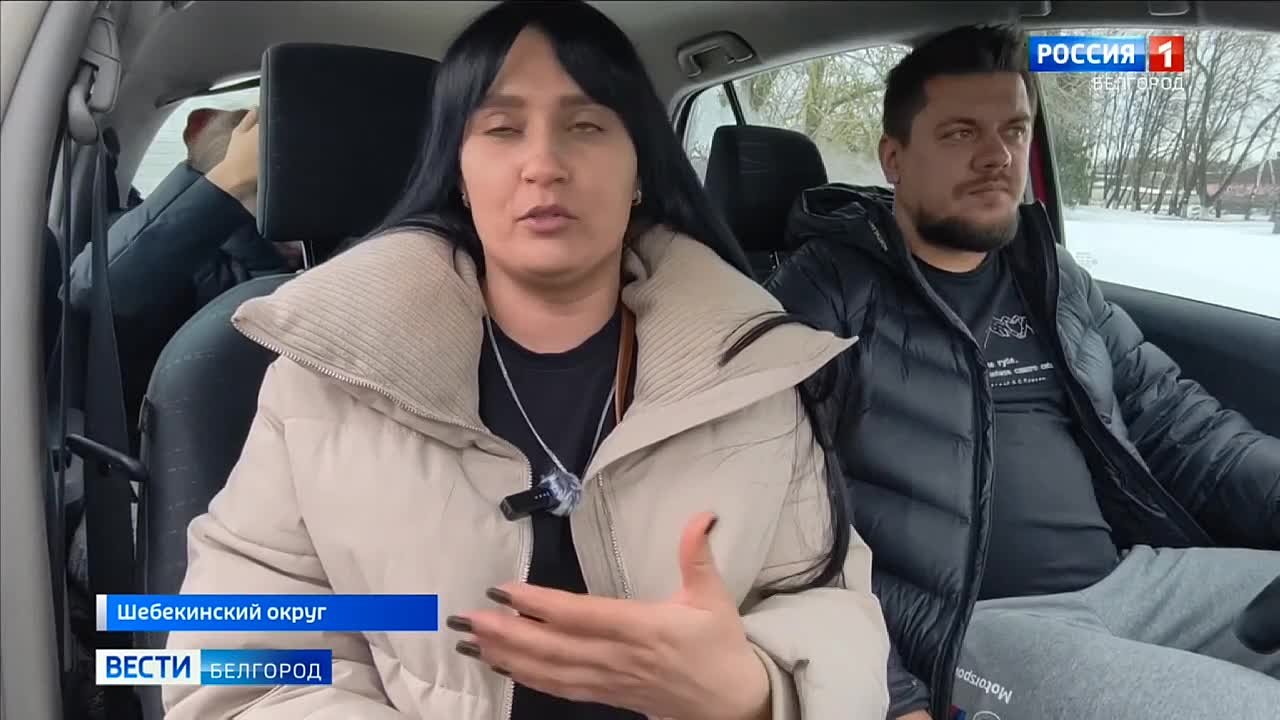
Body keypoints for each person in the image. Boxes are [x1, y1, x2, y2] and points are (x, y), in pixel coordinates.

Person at [163, 2, 891, 719]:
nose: (544, 165)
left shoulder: (755, 369)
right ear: (458, 171)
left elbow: (830, 610)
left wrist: (754, 693)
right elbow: (236, 673)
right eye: (503, 129)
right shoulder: (324, 378)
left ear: (640, 169)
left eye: (586, 126)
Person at [767, 23, 1280, 720]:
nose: (997, 155)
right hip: (980, 624)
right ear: (894, 158)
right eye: (960, 133)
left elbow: (1178, 423)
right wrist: (891, 686)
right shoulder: (825, 293)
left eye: (1013, 130)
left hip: (1136, 583)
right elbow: (782, 517)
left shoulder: (1051, 278)